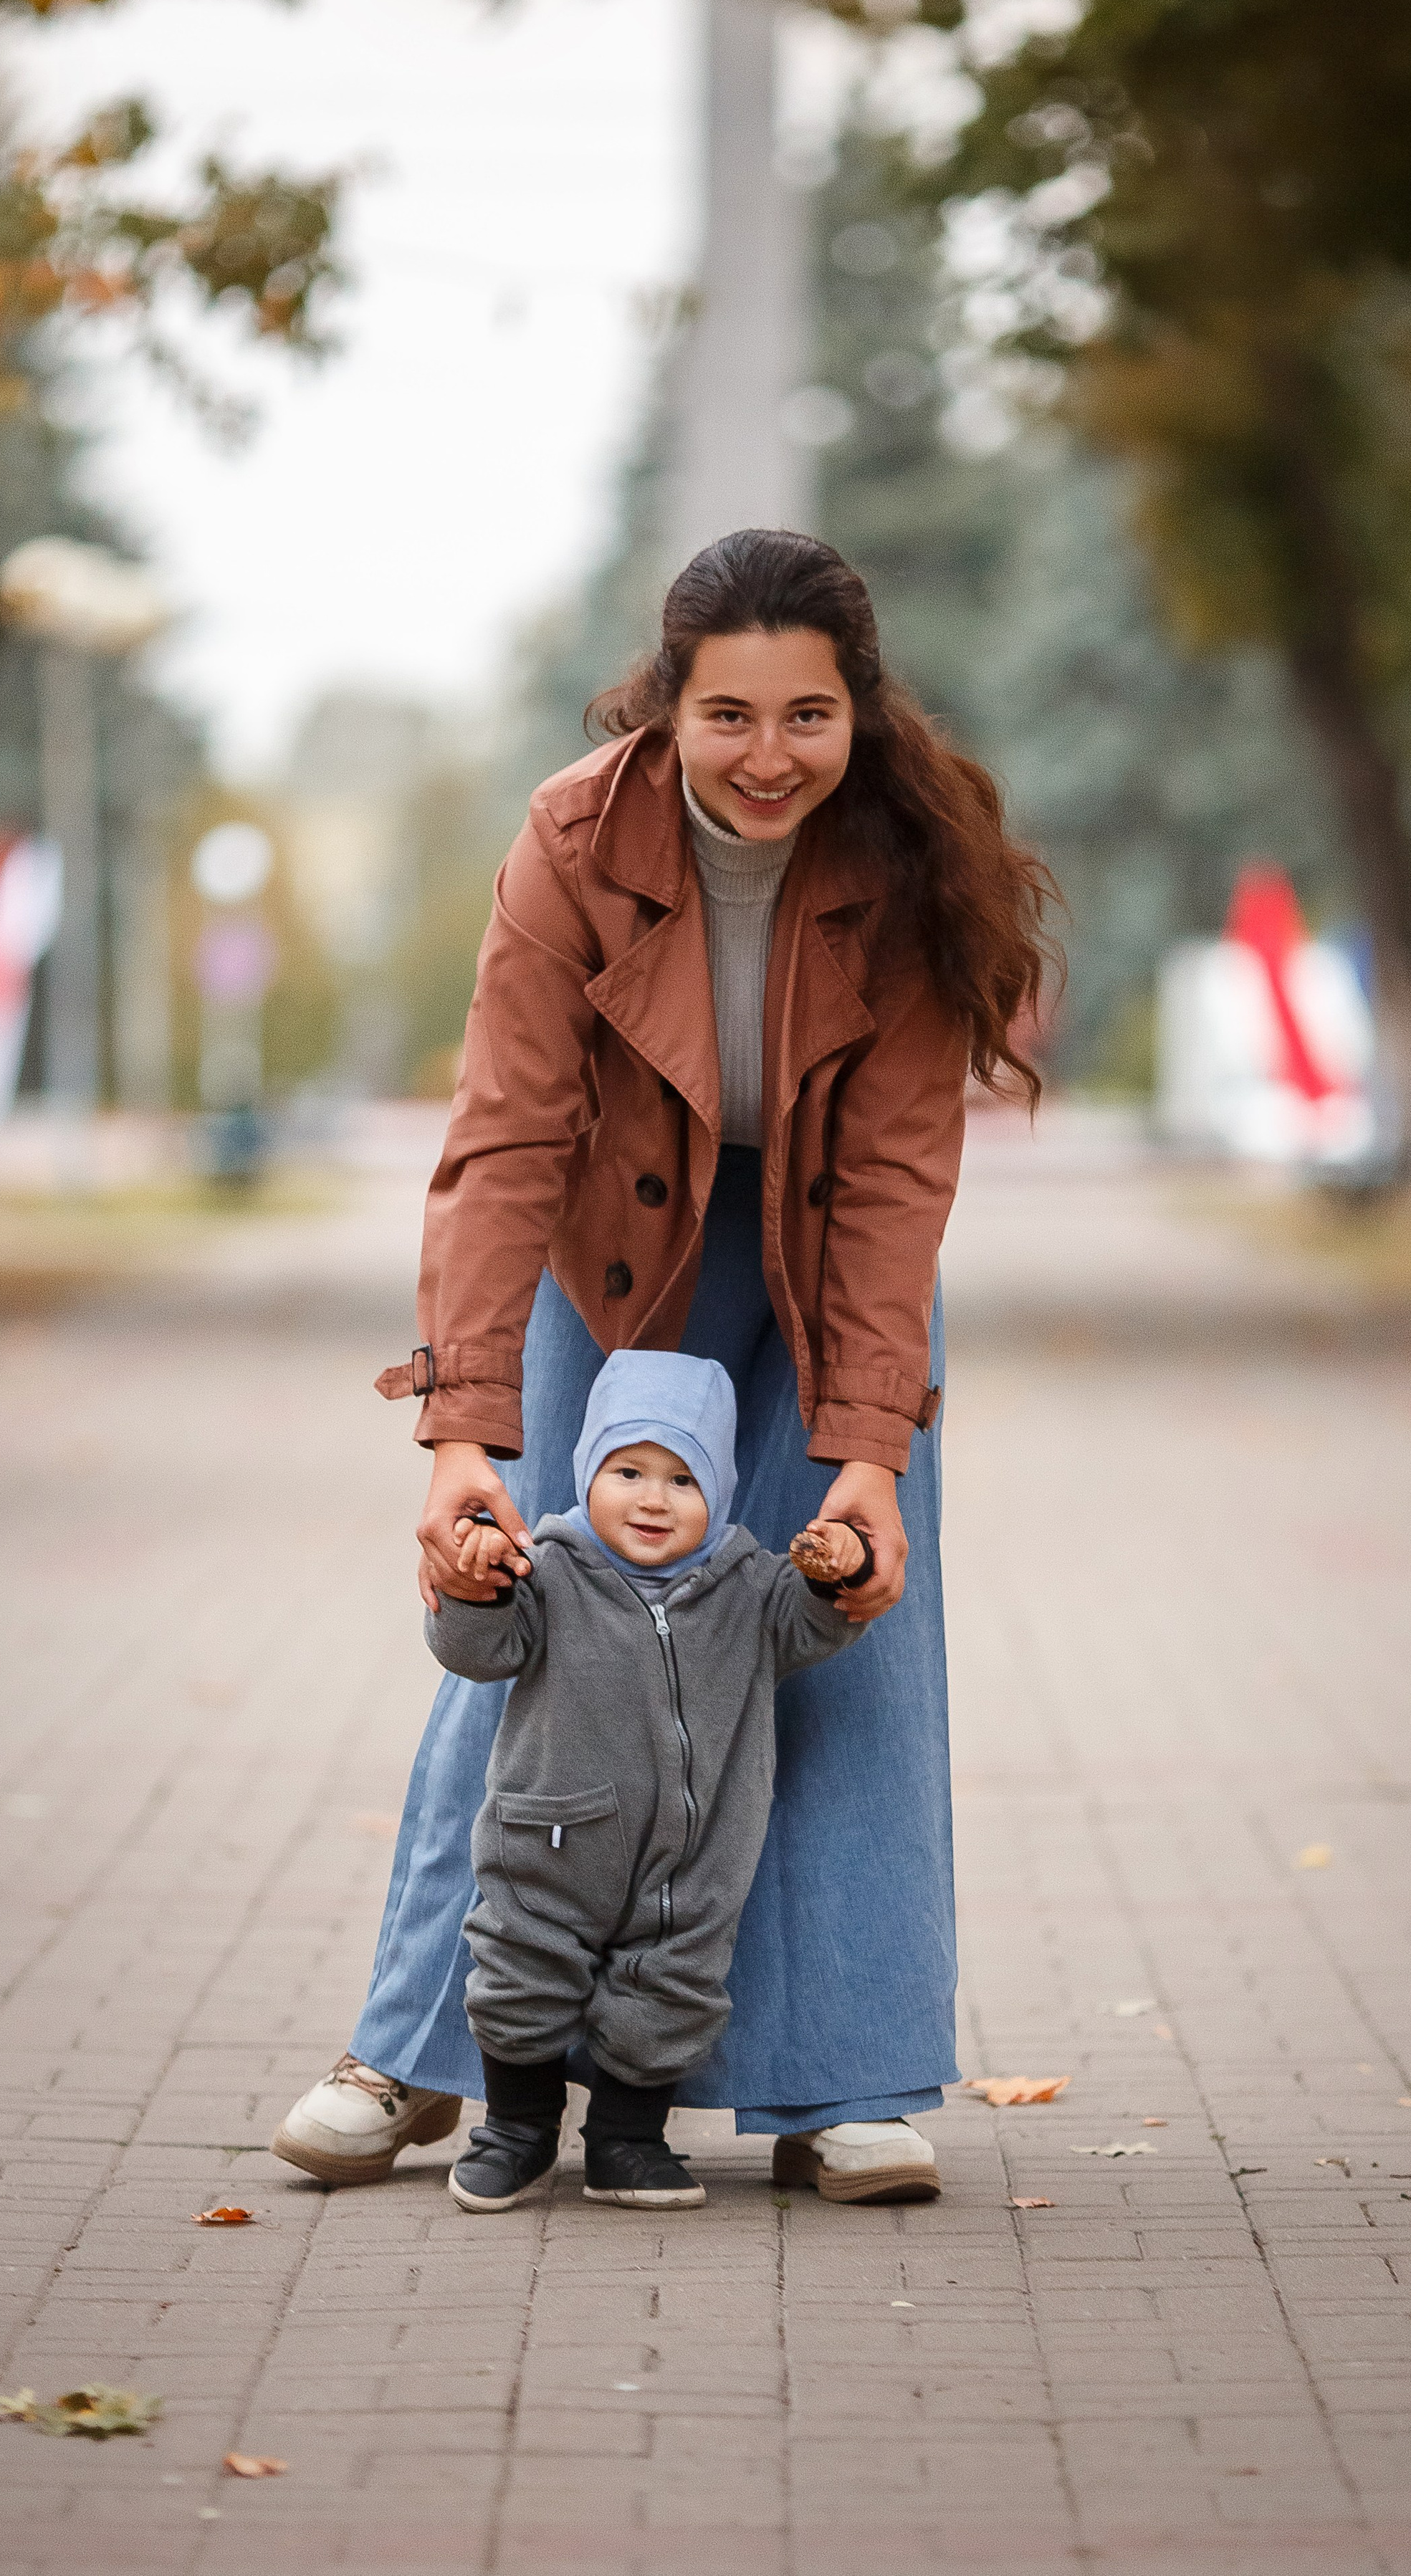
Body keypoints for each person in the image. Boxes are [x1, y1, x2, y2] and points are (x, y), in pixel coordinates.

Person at [271, 527, 1056, 2206]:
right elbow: (501, 1138)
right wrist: (462, 1429)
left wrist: (867, 1452)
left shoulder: (915, 856)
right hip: (608, 1257)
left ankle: (832, 2080)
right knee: (538, 1620)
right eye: (727, 714)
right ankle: (419, 2053)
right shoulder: (571, 835)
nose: (766, 755)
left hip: (826, 1264)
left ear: (858, 712)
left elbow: (901, 1172)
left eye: (805, 714)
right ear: (668, 704)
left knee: (837, 1619)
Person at [436, 1349, 874, 2215]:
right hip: (551, 1838)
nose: (651, 1498)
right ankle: (515, 2134)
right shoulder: (548, 1571)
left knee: (671, 1987)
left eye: (683, 1478)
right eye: (627, 1470)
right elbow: (478, 1654)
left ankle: (626, 2142)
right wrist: (476, 1589)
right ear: (588, 1469)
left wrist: (836, 1573)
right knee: (522, 1970)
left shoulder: (748, 1587)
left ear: (720, 1490)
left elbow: (812, 1629)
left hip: (699, 1854)